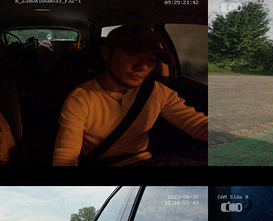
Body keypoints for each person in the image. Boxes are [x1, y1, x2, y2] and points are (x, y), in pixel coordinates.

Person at [52, 25, 208, 166]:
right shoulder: (81, 98)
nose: (143, 66)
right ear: (106, 53)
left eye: (151, 59)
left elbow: (197, 125)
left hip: (146, 159)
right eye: (133, 55)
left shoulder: (156, 91)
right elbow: (66, 155)